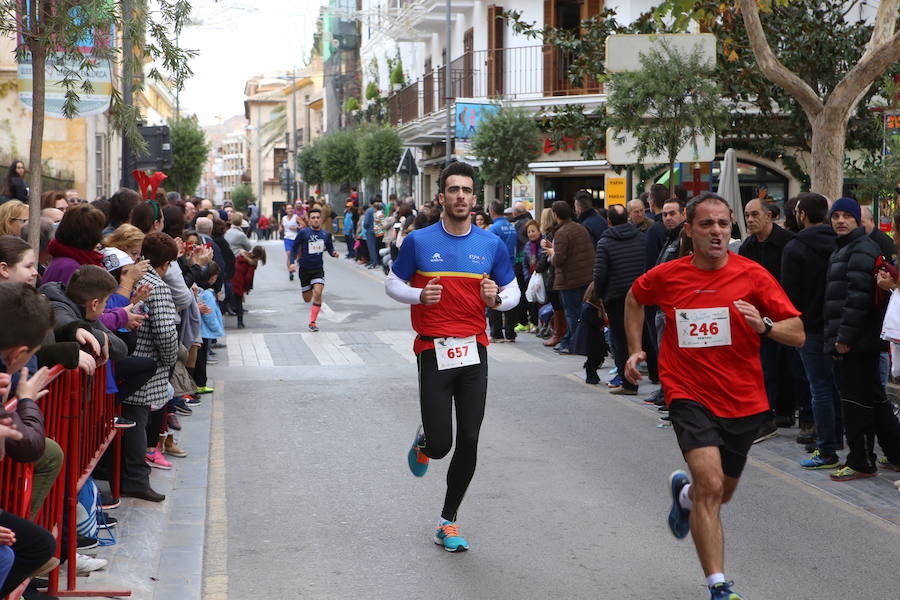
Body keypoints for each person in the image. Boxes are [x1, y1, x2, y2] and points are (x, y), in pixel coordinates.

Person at [624, 192, 805, 600]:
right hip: (688, 392)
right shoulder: (668, 275)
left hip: (743, 399)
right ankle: (718, 585)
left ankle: (684, 497)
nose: (717, 232)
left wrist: (766, 326)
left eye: (724, 224)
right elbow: (636, 297)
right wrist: (635, 347)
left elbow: (798, 332)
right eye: (707, 224)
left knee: (721, 491)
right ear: (688, 231)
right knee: (709, 482)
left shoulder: (754, 275)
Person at [385, 161, 520, 552]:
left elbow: (514, 293)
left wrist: (497, 300)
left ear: (474, 198)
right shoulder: (419, 241)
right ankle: (426, 439)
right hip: (433, 348)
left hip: (473, 348)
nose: (460, 196)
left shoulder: (490, 244)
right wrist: (417, 294)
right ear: (441, 197)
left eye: (466, 190)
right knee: (443, 445)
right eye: (453, 190)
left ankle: (448, 521)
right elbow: (393, 282)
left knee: (472, 438)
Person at [824, 197, 900, 481]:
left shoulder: (859, 249)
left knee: (856, 402)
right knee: (874, 399)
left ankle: (861, 460)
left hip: (858, 341)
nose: (840, 221)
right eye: (836, 216)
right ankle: (895, 453)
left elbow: (856, 300)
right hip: (860, 339)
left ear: (858, 220)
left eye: (847, 216)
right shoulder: (844, 248)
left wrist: (843, 339)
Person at [780, 193, 842, 469]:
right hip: (838, 326)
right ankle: (837, 438)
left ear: (801, 215)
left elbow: (788, 295)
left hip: (810, 327)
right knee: (837, 386)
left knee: (819, 388)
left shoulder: (795, 247)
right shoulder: (841, 242)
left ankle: (827, 447)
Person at [740, 198, 807, 443]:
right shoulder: (748, 246)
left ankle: (805, 418)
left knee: (796, 369)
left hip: (787, 316)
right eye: (747, 215)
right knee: (765, 369)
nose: (750, 220)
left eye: (755, 214)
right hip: (761, 319)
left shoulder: (788, 243)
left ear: (769, 216)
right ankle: (767, 418)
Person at [594, 204, 649, 395]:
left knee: (620, 341)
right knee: (643, 337)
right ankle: (656, 378)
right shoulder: (641, 238)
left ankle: (628, 383)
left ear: (608, 221)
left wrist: (600, 295)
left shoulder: (605, 242)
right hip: (640, 294)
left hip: (616, 298)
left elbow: (600, 274)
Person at [540, 201, 595, 354]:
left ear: (556, 215)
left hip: (569, 279)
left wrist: (551, 253)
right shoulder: (580, 227)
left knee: (572, 313)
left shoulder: (562, 232)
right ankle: (570, 340)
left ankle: (575, 343)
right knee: (580, 312)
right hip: (585, 277)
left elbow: (559, 260)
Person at [294, 208, 338, 332]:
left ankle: (312, 322)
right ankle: (310, 294)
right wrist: (292, 263)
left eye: (318, 217)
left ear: (321, 219)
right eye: (313, 218)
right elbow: (294, 247)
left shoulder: (325, 234)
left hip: (318, 269)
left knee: (318, 293)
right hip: (304, 269)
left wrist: (333, 252)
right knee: (307, 299)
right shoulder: (304, 233)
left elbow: (329, 248)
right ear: (309, 220)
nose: (316, 220)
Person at [487, 201, 518, 343]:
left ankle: (497, 333)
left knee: (495, 299)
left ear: (492, 211)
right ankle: (511, 333)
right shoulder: (511, 227)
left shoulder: (493, 228)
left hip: (496, 268)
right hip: (511, 266)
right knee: (510, 299)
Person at [232, 246, 266, 329]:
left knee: (225, 302)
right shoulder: (251, 263)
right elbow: (249, 277)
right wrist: (247, 288)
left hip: (231, 280)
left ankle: (218, 321)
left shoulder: (241, 257)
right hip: (239, 283)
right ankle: (240, 323)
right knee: (239, 303)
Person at [281, 204, 300, 280]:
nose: (290, 210)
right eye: (288, 209)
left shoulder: (296, 217)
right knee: (289, 254)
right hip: (287, 238)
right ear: (286, 210)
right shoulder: (284, 218)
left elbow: (303, 225)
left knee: (294, 256)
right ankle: (290, 272)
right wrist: (280, 228)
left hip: (296, 238)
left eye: (291, 208)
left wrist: (296, 227)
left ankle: (292, 264)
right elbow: (281, 226)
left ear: (293, 210)